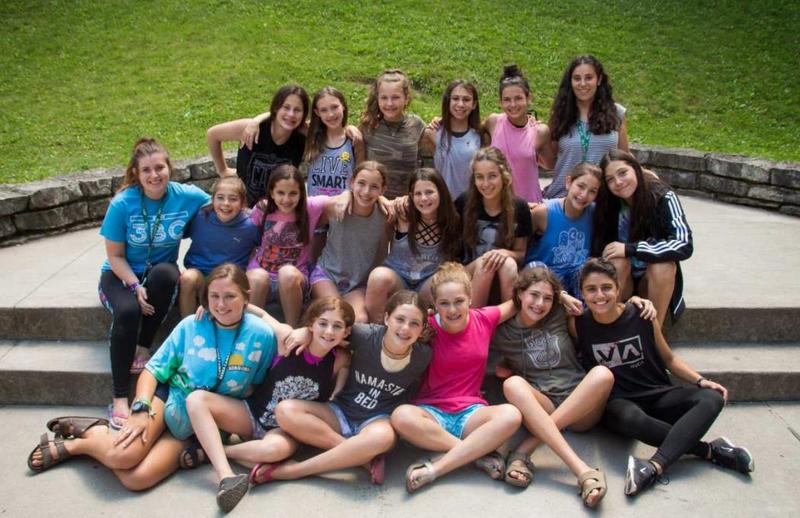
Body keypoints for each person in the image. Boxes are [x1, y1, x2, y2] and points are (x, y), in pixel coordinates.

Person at [28, 264, 285, 513]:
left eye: (230, 296)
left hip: (204, 423)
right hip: (170, 398)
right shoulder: (191, 325)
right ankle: (76, 446)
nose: (221, 304)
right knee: (122, 457)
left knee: (137, 479)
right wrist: (141, 407)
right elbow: (153, 370)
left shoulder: (261, 336)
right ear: (205, 299)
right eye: (214, 296)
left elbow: (255, 386)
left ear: (246, 297)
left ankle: (91, 435)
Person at [574, 258, 754, 497]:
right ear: (582, 294)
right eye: (591, 289)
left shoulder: (641, 315)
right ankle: (710, 451)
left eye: (606, 287)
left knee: (713, 398)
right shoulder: (579, 323)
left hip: (657, 393)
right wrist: (564, 297)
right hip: (620, 403)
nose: (599, 295)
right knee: (630, 418)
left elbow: (668, 359)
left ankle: (653, 466)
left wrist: (700, 381)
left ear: (618, 289)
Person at [179, 296, 353, 511]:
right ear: (311, 324)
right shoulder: (287, 340)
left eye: (337, 326)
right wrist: (213, 308)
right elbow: (258, 312)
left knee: (273, 450)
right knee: (197, 399)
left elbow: (360, 347)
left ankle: (213, 451)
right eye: (323, 323)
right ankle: (227, 473)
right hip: (252, 413)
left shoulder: (340, 358)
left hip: (284, 431)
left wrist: (338, 389)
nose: (329, 331)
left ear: (346, 332)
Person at [249, 290, 433, 486]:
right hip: (340, 411)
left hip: (377, 419)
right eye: (400, 319)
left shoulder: (424, 355)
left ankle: (295, 471)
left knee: (383, 438)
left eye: (414, 323)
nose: (405, 328)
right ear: (387, 318)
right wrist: (305, 331)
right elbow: (330, 329)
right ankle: (357, 455)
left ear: (422, 328)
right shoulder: (364, 335)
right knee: (285, 410)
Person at [492, 267, 632, 506]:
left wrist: (637, 301)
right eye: (534, 295)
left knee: (602, 374)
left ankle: (526, 449)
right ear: (520, 294)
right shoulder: (502, 333)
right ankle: (582, 470)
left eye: (547, 298)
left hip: (580, 406)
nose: (540, 304)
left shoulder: (558, 314)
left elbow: (605, 310)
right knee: (512, 384)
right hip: (544, 404)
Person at [97, 138, 210, 429]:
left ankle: (144, 346)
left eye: (160, 167)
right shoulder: (123, 204)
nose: (154, 175)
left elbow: (223, 204)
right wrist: (135, 286)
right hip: (121, 274)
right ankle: (120, 396)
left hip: (159, 273)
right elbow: (115, 256)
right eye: (146, 170)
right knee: (127, 311)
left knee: (168, 274)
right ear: (136, 173)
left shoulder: (187, 196)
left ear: (169, 167)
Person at [391, 262, 522, 493]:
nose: (452, 310)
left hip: (470, 413)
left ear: (470, 299)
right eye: (444, 303)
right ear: (434, 305)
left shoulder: (484, 318)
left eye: (459, 301)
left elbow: (519, 301)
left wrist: (559, 295)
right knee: (401, 416)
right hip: (431, 413)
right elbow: (392, 333)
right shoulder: (425, 328)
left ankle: (436, 468)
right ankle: (475, 454)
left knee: (511, 415)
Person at [594, 149, 693, 323]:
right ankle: (611, 327)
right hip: (622, 282)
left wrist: (631, 249)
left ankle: (654, 331)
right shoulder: (607, 202)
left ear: (636, 169)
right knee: (616, 260)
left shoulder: (663, 196)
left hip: (651, 282)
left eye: (623, 173)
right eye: (610, 179)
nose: (618, 182)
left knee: (664, 266)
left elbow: (684, 244)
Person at [246, 165, 342, 327]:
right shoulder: (262, 208)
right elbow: (251, 238)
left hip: (294, 279)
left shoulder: (310, 207)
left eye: (293, 193)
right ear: (272, 193)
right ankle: (253, 331)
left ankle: (292, 329)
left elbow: (341, 198)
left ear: (301, 193)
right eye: (280, 193)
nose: (286, 199)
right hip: (262, 274)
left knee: (287, 273)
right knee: (257, 277)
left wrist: (381, 199)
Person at [364, 168, 461, 322]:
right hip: (398, 278)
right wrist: (383, 200)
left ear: (441, 192)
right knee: (378, 276)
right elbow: (374, 200)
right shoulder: (403, 212)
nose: (424, 198)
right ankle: (377, 329)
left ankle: (432, 330)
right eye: (418, 194)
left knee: (444, 282)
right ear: (411, 196)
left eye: (429, 192)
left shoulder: (453, 221)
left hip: (428, 282)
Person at [311, 161, 392, 323]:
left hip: (359, 283)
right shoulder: (334, 206)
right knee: (335, 315)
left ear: (383, 190)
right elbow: (312, 226)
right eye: (361, 183)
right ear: (352, 182)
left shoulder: (387, 214)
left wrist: (384, 200)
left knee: (360, 319)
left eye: (374, 187)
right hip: (327, 275)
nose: (366, 192)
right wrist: (345, 194)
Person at [543, 55, 629, 199]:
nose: (582, 84)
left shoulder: (617, 113)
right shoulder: (560, 115)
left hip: (604, 199)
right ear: (570, 82)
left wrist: (645, 175)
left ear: (599, 80)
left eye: (589, 78)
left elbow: (624, 158)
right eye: (577, 78)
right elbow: (550, 162)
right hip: (564, 198)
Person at [207, 84, 309, 206]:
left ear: (304, 114)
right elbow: (213, 135)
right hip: (243, 208)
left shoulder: (304, 137)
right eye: (286, 107)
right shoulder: (251, 129)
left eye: (297, 110)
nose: (291, 114)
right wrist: (223, 170)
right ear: (276, 107)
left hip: (278, 209)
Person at [456, 147, 532, 307]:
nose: (485, 184)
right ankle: (475, 319)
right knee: (486, 264)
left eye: (492, 176)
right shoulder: (464, 202)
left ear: (504, 176)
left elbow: (521, 253)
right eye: (479, 177)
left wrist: (504, 252)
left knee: (508, 264)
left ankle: (509, 318)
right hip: (469, 271)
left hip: (503, 275)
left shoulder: (519, 207)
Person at [179, 177, 261, 316]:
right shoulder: (200, 217)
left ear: (242, 203)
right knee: (188, 278)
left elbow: (261, 248)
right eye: (220, 198)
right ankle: (187, 324)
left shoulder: (250, 226)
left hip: (232, 279)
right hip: (202, 275)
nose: (226, 203)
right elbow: (177, 235)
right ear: (212, 200)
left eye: (233, 199)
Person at [525, 163, 602, 296]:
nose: (584, 195)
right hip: (544, 278)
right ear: (568, 182)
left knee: (588, 270)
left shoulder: (594, 214)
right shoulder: (543, 213)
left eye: (592, 191)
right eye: (580, 186)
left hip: (576, 278)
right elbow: (521, 246)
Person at [482, 64, 550, 203]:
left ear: (529, 98)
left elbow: (550, 164)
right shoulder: (493, 122)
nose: (513, 105)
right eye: (507, 99)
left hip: (530, 204)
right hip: (498, 204)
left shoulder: (540, 131)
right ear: (500, 102)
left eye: (518, 98)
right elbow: (469, 127)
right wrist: (441, 121)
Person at [359, 69, 425, 198]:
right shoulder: (368, 126)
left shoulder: (416, 125)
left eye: (395, 97)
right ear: (377, 98)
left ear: (406, 99)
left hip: (406, 202)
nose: (389, 103)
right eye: (384, 98)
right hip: (374, 201)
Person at [421, 79, 483, 199]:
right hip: (442, 202)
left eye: (466, 100)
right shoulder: (433, 132)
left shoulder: (480, 135)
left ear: (474, 104)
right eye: (455, 98)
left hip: (471, 202)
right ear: (448, 101)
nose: (460, 104)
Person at [305, 86, 366, 197]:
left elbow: (361, 176)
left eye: (334, 107)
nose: (331, 114)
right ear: (317, 112)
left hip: (342, 205)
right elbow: (282, 121)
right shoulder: (310, 135)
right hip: (314, 205)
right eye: (324, 110)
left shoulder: (355, 139)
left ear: (343, 105)